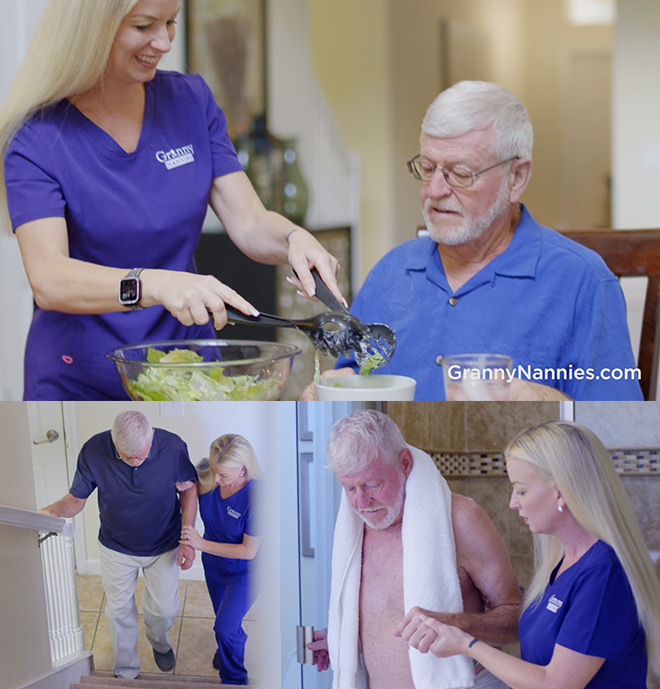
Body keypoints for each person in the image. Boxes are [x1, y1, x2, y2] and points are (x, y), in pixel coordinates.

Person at [0, 0, 344, 401]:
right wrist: (154, 284)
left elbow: (250, 221)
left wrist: (293, 239)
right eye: (144, 25)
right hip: (81, 379)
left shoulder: (191, 101)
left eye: (170, 23)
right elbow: (49, 278)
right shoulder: (36, 136)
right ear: (91, 28)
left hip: (187, 369)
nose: (163, 42)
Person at [303, 80, 642, 401]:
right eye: (428, 167)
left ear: (517, 177)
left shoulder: (582, 282)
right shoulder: (391, 272)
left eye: (460, 173)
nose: (435, 191)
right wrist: (333, 390)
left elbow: (621, 429)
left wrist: (542, 400)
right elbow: (350, 376)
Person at [398, 420, 660, 689]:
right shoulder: (563, 563)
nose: (513, 503)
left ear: (560, 492)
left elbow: (555, 684)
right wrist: (449, 623)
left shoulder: (604, 573)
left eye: (521, 490)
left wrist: (467, 645)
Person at [306, 409, 522, 689]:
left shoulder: (461, 519)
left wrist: (455, 624)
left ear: (404, 463)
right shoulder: (354, 531)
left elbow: (516, 618)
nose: (361, 502)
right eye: (349, 488)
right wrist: (342, 640)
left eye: (373, 484)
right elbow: (387, 622)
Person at [38, 411, 197, 680]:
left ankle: (159, 642)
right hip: (116, 546)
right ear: (114, 443)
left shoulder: (173, 448)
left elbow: (189, 489)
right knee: (119, 611)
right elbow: (77, 499)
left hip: (164, 544)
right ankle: (126, 671)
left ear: (151, 438)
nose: (134, 462)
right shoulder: (94, 451)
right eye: (127, 456)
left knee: (163, 610)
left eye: (140, 456)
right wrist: (52, 510)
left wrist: (187, 538)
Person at [180, 434, 261, 686]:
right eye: (214, 471)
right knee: (224, 623)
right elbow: (186, 492)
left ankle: (234, 679)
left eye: (223, 475)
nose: (215, 479)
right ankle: (225, 650)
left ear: (243, 469)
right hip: (214, 566)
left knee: (225, 628)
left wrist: (201, 544)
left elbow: (249, 551)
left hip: (247, 571)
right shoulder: (205, 474)